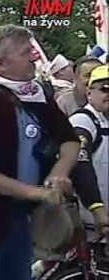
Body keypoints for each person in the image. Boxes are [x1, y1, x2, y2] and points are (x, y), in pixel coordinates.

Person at [0, 24, 79, 280]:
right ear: (1, 63)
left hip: (22, 221)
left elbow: (70, 140)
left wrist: (58, 174)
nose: (35, 57)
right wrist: (35, 192)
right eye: (26, 52)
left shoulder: (38, 94)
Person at [69, 64, 109, 241]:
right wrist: (97, 208)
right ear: (89, 92)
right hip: (92, 225)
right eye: (105, 88)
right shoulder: (83, 120)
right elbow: (80, 164)